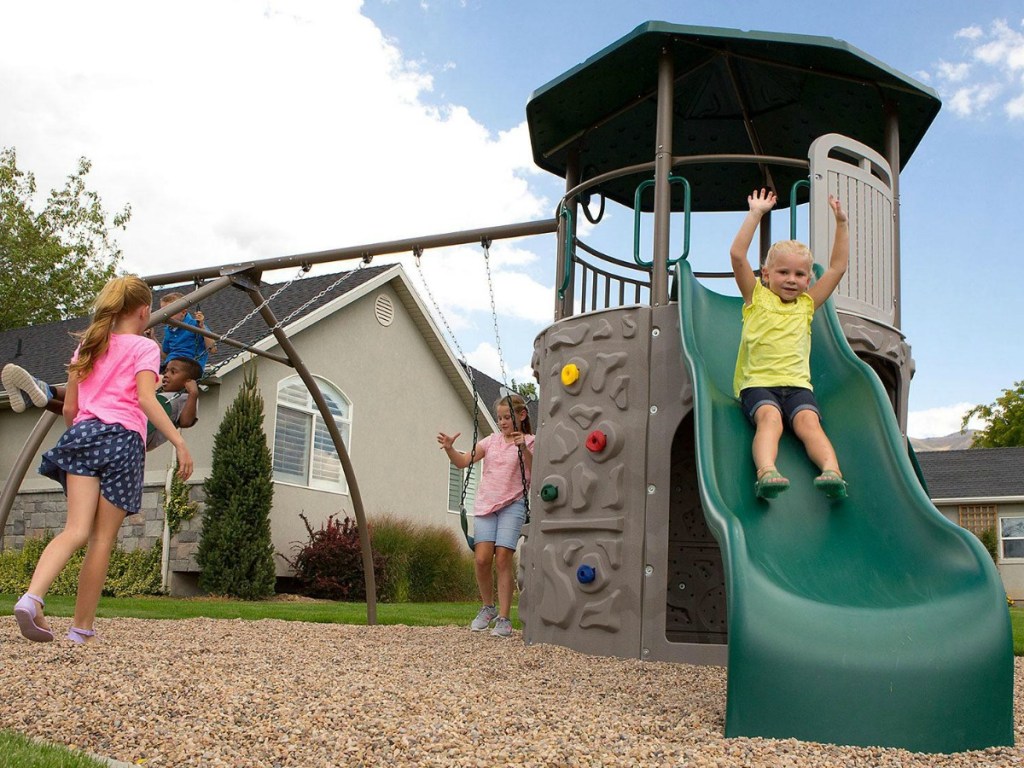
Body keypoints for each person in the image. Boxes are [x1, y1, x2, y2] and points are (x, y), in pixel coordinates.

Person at [12, 276, 193, 645]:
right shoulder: (144, 348)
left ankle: (32, 597)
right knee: (101, 540)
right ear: (144, 311)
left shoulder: (88, 346)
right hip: (123, 442)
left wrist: (80, 432)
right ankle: (81, 630)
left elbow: (73, 408)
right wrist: (178, 441)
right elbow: (145, 399)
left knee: (74, 530)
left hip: (81, 435)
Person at [730, 188, 849, 501]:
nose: (792, 279)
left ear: (808, 280)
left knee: (809, 423)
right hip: (759, 385)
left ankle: (832, 472)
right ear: (766, 274)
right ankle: (766, 472)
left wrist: (841, 223)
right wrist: (756, 213)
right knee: (770, 420)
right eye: (783, 272)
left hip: (798, 386)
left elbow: (836, 268)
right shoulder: (756, 297)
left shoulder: (807, 305)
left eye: (799, 274)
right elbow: (737, 256)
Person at [437, 393, 534, 638]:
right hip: (485, 506)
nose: (502, 422)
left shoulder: (530, 441)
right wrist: (450, 448)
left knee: (502, 557)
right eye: (499, 418)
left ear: (521, 416)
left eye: (507, 417)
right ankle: (487, 607)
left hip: (513, 504)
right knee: (481, 559)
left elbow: (536, 471)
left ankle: (504, 618)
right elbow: (462, 462)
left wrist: (523, 447)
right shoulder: (490, 442)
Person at [3, 357, 201, 451]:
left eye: (173, 372)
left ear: (187, 381)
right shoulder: (155, 391)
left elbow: (185, 422)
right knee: (89, 405)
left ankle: (44, 390)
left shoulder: (184, 398)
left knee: (88, 404)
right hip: (122, 424)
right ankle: (40, 397)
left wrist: (192, 393)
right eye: (166, 370)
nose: (166, 375)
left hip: (139, 437)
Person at [158, 292, 216, 371]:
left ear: (183, 312)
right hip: (171, 366)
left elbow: (212, 349)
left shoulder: (195, 325)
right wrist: (152, 337)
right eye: (162, 312)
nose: (165, 315)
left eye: (169, 312)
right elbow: (166, 355)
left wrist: (202, 327)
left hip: (189, 367)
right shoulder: (169, 329)